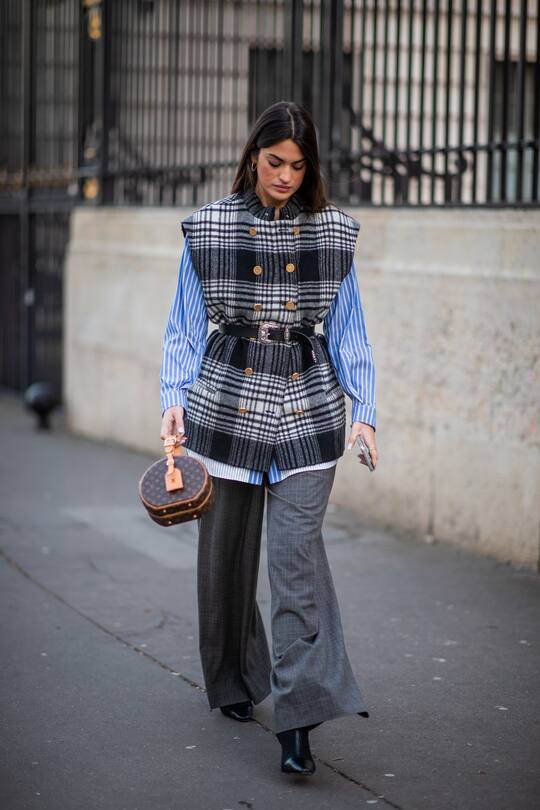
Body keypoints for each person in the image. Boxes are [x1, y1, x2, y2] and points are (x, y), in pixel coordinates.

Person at [159, 101, 378, 776]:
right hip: (223, 409)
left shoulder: (334, 233)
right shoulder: (209, 227)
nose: (285, 175)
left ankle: (298, 718)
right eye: (275, 160)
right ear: (254, 154)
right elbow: (184, 328)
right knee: (225, 562)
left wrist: (365, 410)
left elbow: (348, 330)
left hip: (309, 415)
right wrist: (172, 401)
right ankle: (233, 681)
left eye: (298, 164)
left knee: (295, 564)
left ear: (310, 167)